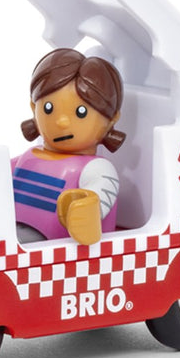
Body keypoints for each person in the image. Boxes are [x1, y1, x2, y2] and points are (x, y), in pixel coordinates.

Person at [12, 48, 125, 246]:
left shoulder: (96, 169)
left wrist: (87, 210)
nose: (62, 121)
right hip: (15, 237)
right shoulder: (28, 157)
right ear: (34, 108)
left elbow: (103, 191)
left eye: (81, 112)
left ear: (111, 120)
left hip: (61, 248)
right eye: (48, 108)